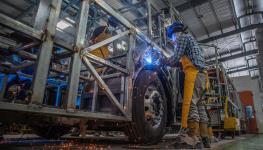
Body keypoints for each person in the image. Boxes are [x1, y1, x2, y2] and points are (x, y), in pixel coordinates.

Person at [164, 21, 211, 148]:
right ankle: (205, 139)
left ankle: (192, 138)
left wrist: (164, 61)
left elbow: (176, 57)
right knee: (200, 107)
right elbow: (184, 60)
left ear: (175, 34)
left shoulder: (182, 38)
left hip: (194, 74)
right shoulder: (191, 40)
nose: (173, 41)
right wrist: (177, 63)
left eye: (172, 38)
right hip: (203, 76)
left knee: (190, 104)